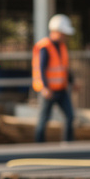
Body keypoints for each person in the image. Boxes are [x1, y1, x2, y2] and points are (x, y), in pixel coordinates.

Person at [32, 14, 76, 143]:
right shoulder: (45, 47)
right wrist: (45, 87)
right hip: (49, 91)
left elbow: (64, 68)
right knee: (43, 119)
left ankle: (68, 145)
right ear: (56, 31)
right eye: (64, 33)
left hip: (61, 89)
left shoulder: (62, 47)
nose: (65, 36)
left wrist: (72, 82)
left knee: (70, 116)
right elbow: (41, 69)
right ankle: (39, 147)